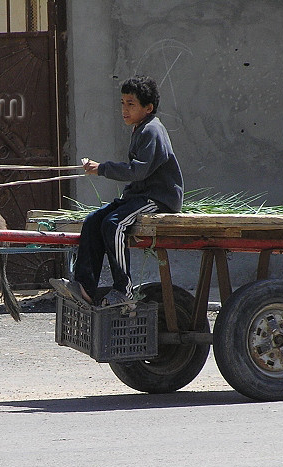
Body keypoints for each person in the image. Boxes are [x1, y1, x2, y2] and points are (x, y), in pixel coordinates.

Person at [50, 75, 184, 306]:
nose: (124, 109)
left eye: (131, 104)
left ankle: (124, 289)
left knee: (113, 225)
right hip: (140, 195)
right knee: (93, 221)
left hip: (158, 197)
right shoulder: (140, 129)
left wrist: (102, 168)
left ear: (148, 107)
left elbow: (137, 171)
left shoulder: (152, 131)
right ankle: (84, 287)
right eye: (122, 103)